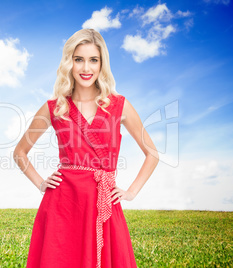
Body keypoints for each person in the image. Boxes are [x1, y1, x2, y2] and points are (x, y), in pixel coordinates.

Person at [13, 28, 159, 268]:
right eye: (78, 59)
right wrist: (41, 183)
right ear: (69, 62)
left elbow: (152, 153)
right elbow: (19, 152)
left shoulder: (119, 105)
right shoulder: (55, 107)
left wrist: (131, 192)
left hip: (104, 204)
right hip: (62, 206)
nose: (86, 68)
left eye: (93, 60)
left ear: (102, 64)